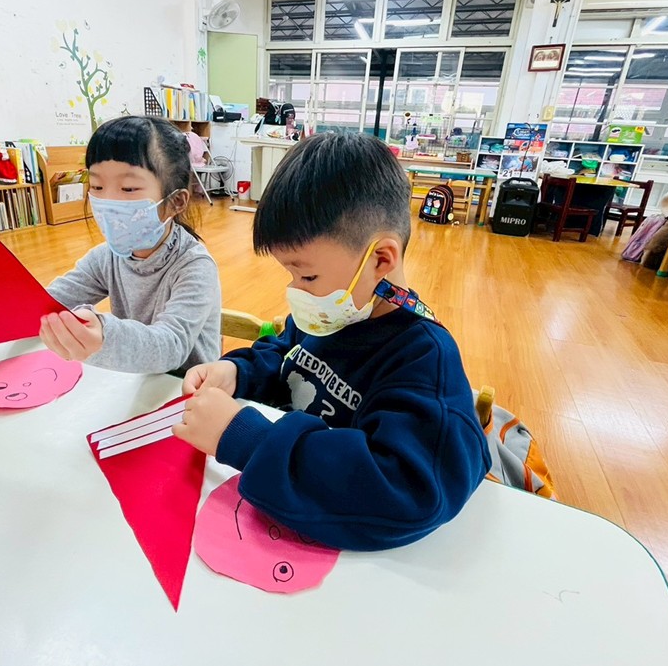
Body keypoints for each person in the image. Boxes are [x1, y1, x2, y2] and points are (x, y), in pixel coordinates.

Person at [173, 132, 491, 551]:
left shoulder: (423, 359)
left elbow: (404, 493)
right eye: (290, 274)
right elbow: (285, 351)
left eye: (307, 276)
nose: (296, 289)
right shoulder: (334, 309)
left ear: (381, 259)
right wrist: (238, 371)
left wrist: (246, 440)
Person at [0, 116, 222, 373]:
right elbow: (38, 310)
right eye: (97, 187)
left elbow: (170, 347)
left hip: (185, 395)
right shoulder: (107, 258)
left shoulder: (194, 267)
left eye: (129, 189)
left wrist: (103, 335)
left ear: (176, 202)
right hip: (134, 385)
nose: (107, 201)